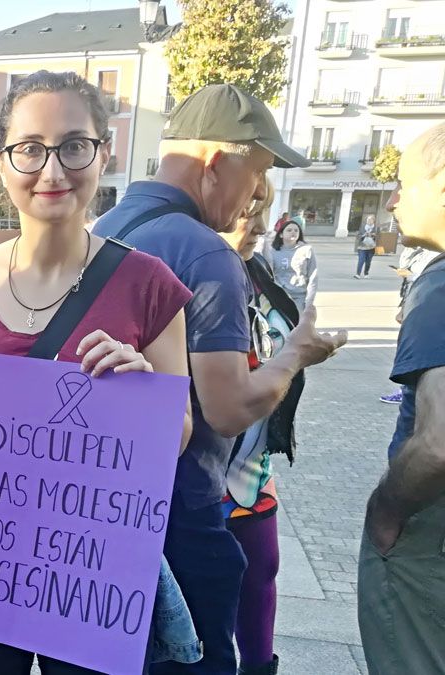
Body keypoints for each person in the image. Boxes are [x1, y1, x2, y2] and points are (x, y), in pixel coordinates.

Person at [0, 70, 195, 675]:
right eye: (30, 149)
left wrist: (146, 394)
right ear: (3, 161)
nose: (53, 170)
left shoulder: (149, 287)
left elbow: (179, 436)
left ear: (103, 152)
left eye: (73, 145)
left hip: (92, 566)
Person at [91, 83, 346, 675]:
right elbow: (228, 409)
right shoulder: (205, 253)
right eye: (256, 171)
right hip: (183, 516)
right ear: (216, 162)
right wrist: (294, 356)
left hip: (103, 512)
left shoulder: (103, 225)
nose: (258, 192)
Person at [359, 122, 445, 675]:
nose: (393, 200)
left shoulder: (437, 284)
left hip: (427, 541)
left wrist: (386, 509)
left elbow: (438, 444)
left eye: (406, 184)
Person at [218, 178, 306, 675]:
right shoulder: (193, 268)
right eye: (245, 206)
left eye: (262, 209)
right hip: (201, 462)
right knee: (206, 584)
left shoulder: (258, 271)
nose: (252, 222)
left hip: (252, 465)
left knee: (261, 574)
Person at [380, 245, 436, 404]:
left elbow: (424, 279)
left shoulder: (436, 255)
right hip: (414, 302)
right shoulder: (419, 250)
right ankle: (406, 389)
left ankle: (407, 390)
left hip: (423, 309)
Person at [267, 220, 318, 310]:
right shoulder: (272, 251)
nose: (293, 232)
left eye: (296, 230)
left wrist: (309, 301)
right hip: (280, 296)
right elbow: (269, 275)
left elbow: (313, 277)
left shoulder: (307, 250)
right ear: (281, 234)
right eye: (289, 230)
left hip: (299, 297)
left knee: (298, 323)